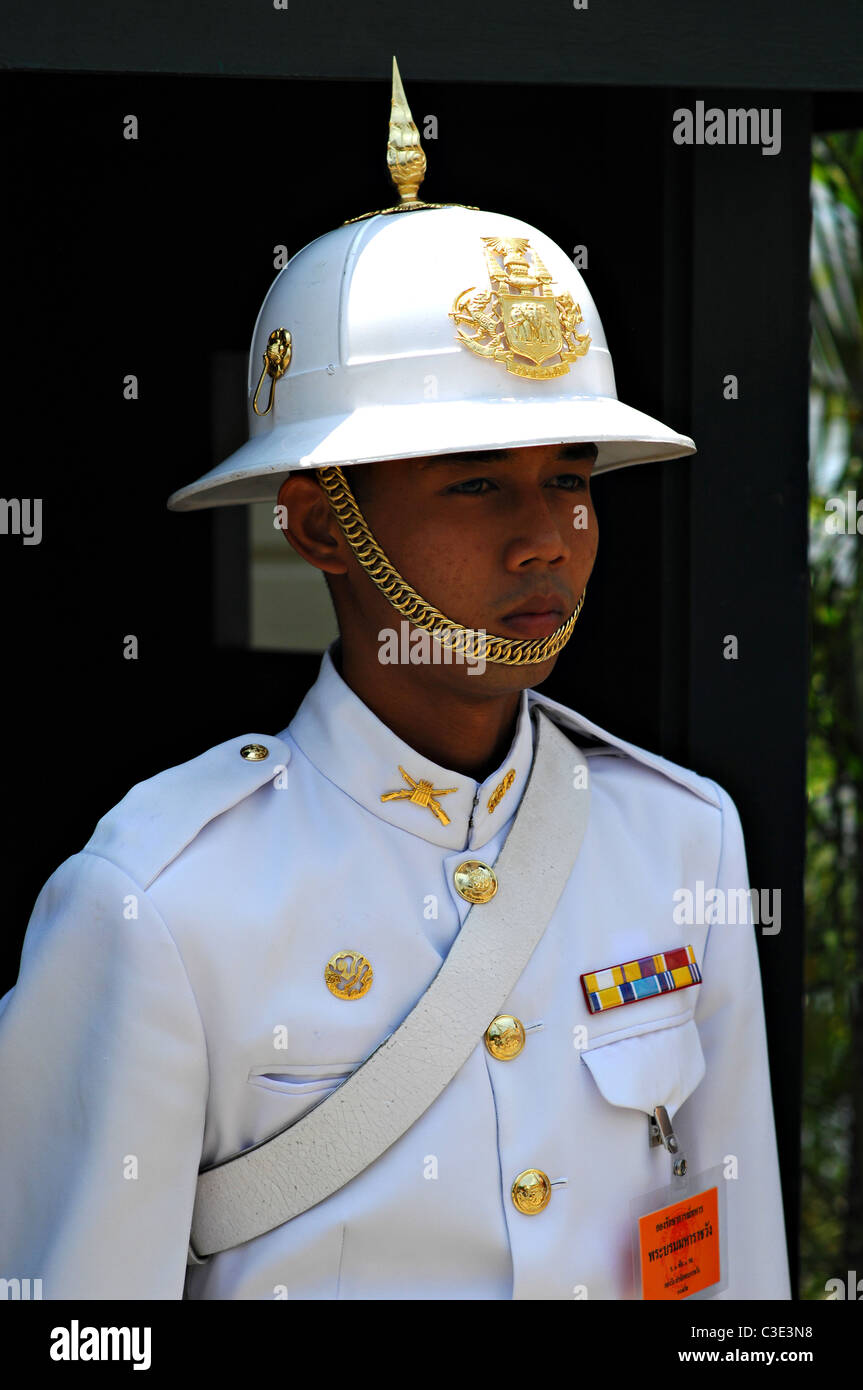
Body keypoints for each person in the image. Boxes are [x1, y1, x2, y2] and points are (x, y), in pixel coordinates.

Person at [0, 60, 790, 1301]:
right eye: (476, 480)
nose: (544, 534)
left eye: (571, 477)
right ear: (317, 527)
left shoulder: (679, 838)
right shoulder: (154, 900)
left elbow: (736, 1289)